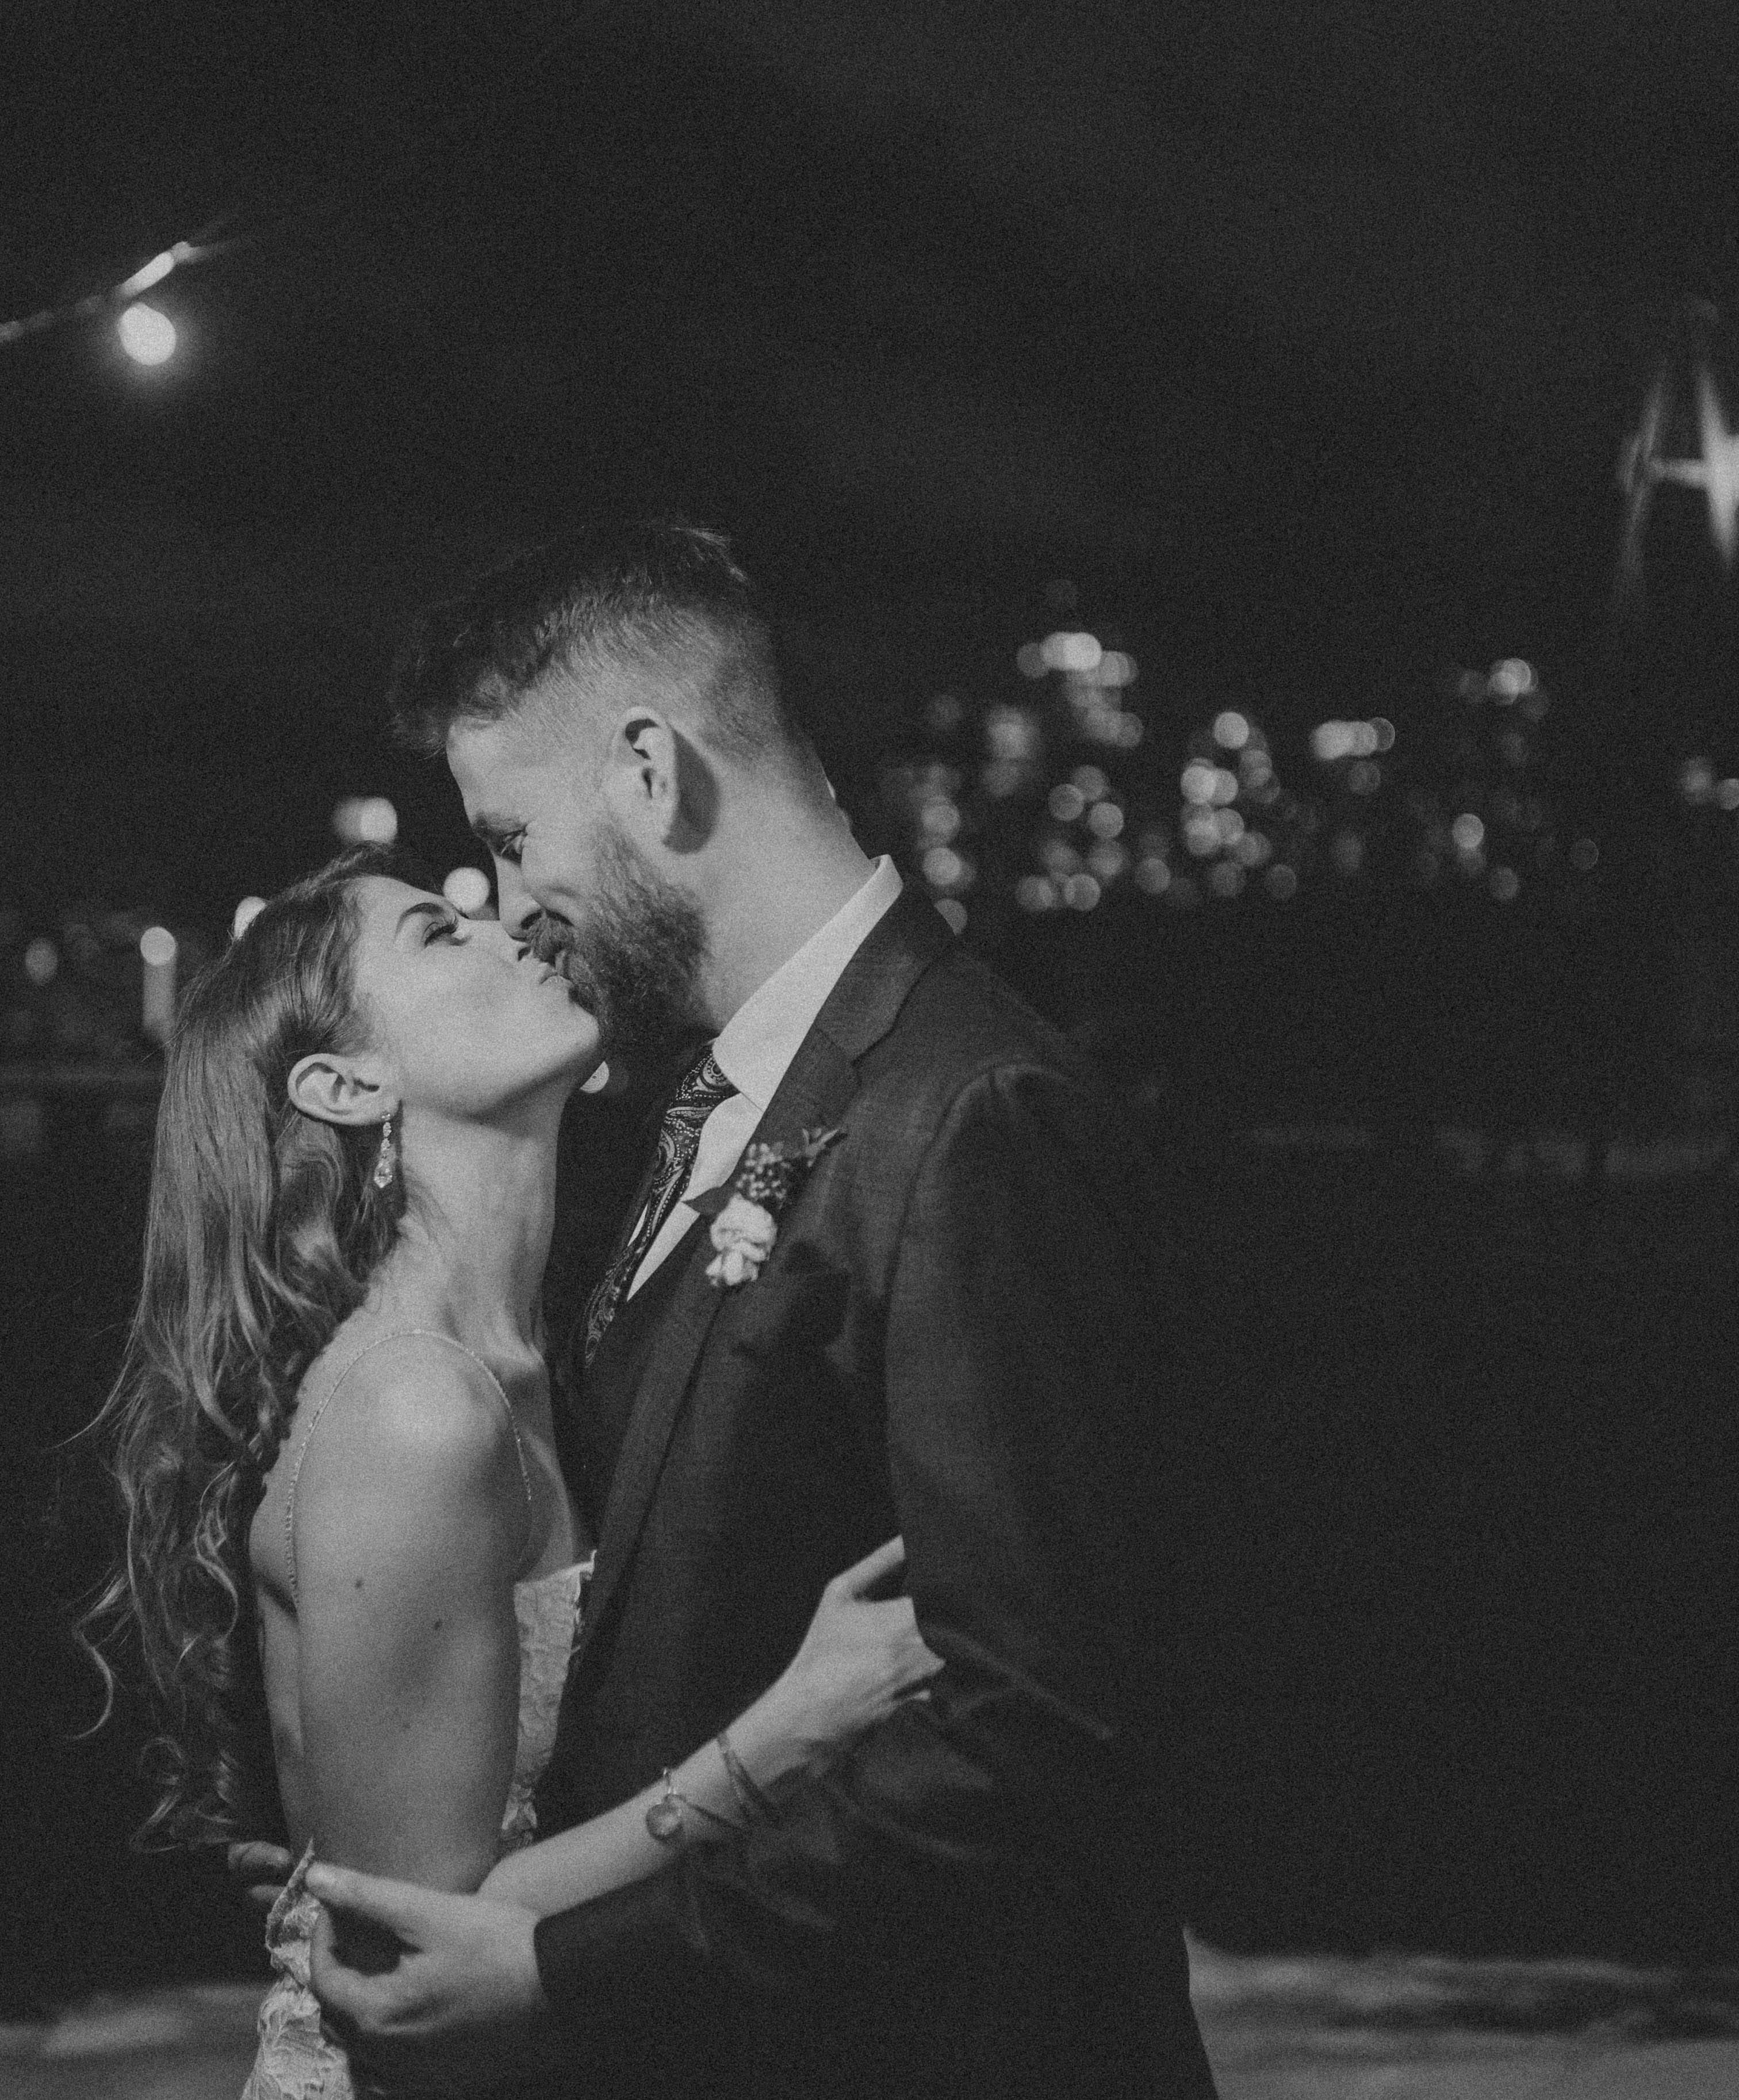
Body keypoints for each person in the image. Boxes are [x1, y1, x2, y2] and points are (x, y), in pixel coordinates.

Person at [243, 522, 1216, 2099]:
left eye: (514, 835)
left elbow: (1030, 1733)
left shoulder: (964, 1109)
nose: (513, 900)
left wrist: (566, 1967)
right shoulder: (715, 1102)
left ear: (651, 772)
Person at [74, 846, 945, 2100]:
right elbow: (410, 1948)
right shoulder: (414, 1410)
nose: (511, 929)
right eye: (440, 932)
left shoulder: (541, 1358)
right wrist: (788, 1730)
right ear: (345, 1082)